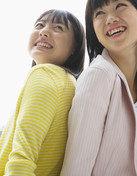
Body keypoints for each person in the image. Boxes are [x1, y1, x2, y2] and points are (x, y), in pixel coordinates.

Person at [60, 0, 137, 176]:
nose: (109, 18)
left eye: (120, 5)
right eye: (99, 14)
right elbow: (78, 163)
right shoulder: (99, 76)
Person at [0, 9, 85, 176]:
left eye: (58, 28)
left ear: (75, 46)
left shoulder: (45, 73)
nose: (44, 31)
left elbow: (23, 156)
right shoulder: (70, 83)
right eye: (39, 25)